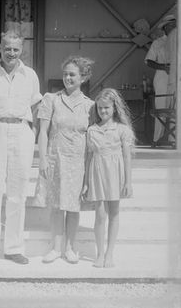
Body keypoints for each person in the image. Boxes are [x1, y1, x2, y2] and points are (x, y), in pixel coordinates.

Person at [0, 30, 42, 265]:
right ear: (0, 47)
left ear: (22, 49)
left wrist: (32, 132)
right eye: (7, 48)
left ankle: (14, 247)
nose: (11, 53)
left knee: (18, 192)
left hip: (21, 131)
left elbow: (36, 105)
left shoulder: (30, 75)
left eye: (16, 49)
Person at [36, 56, 94, 264]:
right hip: (55, 158)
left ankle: (70, 247)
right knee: (56, 205)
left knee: (73, 206)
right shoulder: (51, 99)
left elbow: (92, 137)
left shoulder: (90, 106)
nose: (68, 78)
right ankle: (55, 247)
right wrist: (42, 158)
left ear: (83, 78)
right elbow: (42, 132)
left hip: (78, 161)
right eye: (65, 74)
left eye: (72, 74)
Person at [81, 88, 135, 268]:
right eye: (100, 108)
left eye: (106, 108)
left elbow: (127, 157)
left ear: (114, 108)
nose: (103, 111)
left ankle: (110, 254)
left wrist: (128, 181)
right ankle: (100, 253)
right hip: (97, 173)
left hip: (115, 174)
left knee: (114, 212)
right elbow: (88, 158)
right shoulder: (92, 131)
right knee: (100, 214)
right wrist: (86, 182)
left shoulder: (122, 130)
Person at [145, 14, 176, 146]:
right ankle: (157, 139)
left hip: (176, 76)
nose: (175, 28)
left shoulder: (178, 41)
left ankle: (174, 139)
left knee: (175, 107)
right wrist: (163, 67)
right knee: (162, 107)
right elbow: (149, 61)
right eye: (172, 26)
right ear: (165, 27)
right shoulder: (158, 43)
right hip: (163, 76)